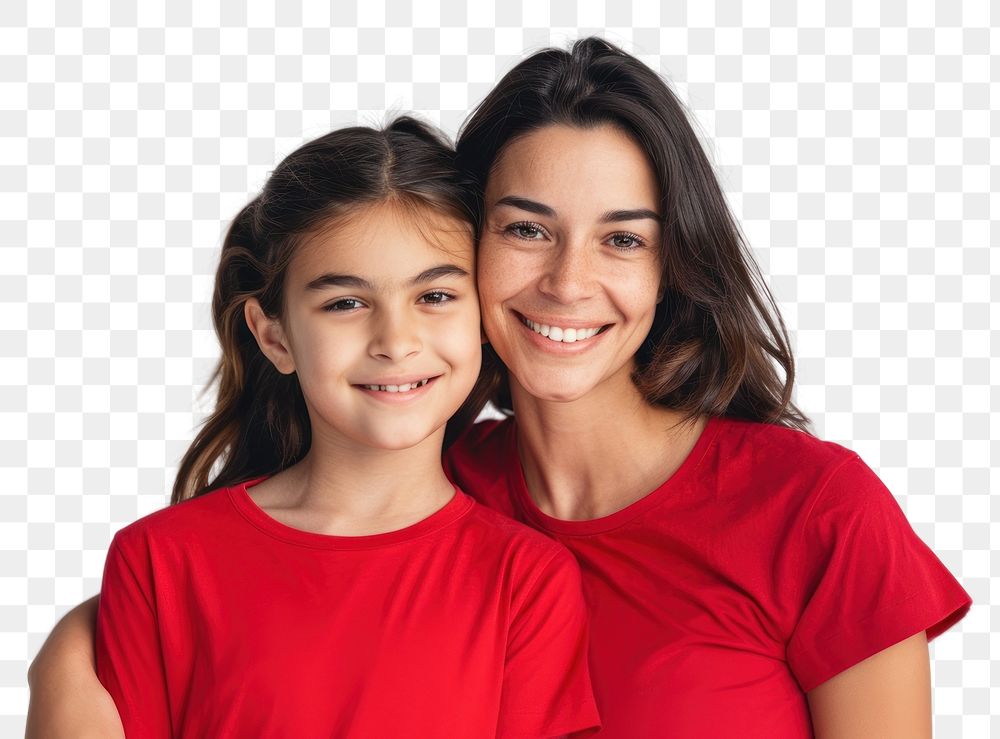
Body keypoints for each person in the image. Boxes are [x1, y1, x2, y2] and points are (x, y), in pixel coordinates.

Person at [28, 38, 970, 738]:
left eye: (623, 238)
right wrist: (73, 660)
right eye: (525, 229)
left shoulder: (813, 508)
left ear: (673, 264)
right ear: (459, 243)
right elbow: (230, 597)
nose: (567, 280)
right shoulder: (424, 481)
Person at [26, 117, 600, 739]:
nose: (395, 342)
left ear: (484, 317)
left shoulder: (527, 580)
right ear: (274, 336)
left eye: (435, 296)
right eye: (345, 303)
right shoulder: (162, 563)